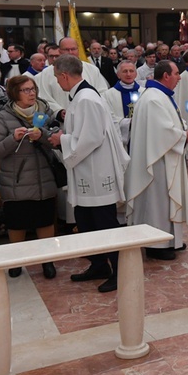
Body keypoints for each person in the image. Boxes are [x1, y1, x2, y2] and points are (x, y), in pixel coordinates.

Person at [47, 55, 130, 293]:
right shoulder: (80, 96)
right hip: (87, 173)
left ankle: (118, 270)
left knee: (104, 224)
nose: (57, 81)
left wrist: (60, 139)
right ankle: (98, 265)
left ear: (64, 75)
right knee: (86, 222)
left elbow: (92, 137)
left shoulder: (86, 99)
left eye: (56, 77)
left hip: (96, 174)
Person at [0, 76, 60, 279]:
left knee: (44, 221)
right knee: (17, 223)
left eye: (33, 89)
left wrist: (43, 135)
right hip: (16, 181)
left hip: (42, 177)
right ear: (14, 94)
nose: (31, 93)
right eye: (25, 90)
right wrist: (13, 138)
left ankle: (48, 261)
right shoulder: (3, 117)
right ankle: (16, 261)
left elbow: (57, 139)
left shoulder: (44, 111)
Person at [125, 61, 188, 261]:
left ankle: (171, 240)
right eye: (176, 73)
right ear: (165, 76)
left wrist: (181, 132)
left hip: (164, 156)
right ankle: (156, 244)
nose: (179, 77)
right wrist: (183, 136)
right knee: (157, 203)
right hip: (156, 161)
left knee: (164, 202)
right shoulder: (153, 99)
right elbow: (161, 132)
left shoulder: (159, 96)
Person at [35, 38, 109, 122]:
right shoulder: (47, 73)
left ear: (78, 50)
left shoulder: (92, 70)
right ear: (60, 51)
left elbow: (102, 93)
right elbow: (43, 98)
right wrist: (58, 112)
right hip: (60, 125)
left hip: (87, 119)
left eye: (73, 49)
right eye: (66, 49)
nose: (70, 52)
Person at [102, 60, 144, 147]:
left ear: (136, 74)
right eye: (125, 71)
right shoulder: (108, 95)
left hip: (140, 138)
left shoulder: (144, 92)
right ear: (118, 75)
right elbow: (107, 118)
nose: (128, 74)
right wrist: (128, 123)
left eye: (131, 71)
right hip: (119, 143)